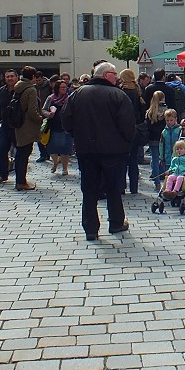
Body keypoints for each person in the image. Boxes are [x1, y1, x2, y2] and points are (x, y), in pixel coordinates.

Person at [62, 61, 135, 240]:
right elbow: (128, 126)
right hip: (113, 151)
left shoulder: (77, 94)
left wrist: (78, 136)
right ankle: (116, 222)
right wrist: (125, 143)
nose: (117, 77)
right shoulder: (118, 95)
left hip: (86, 150)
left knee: (89, 189)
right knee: (113, 188)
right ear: (105, 75)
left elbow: (66, 121)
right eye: (114, 73)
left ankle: (91, 229)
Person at [0, 67, 41, 191]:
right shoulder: (2, 90)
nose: (9, 78)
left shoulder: (20, 90)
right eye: (7, 76)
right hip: (5, 126)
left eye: (11, 76)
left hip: (17, 126)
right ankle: (3, 175)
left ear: (17, 77)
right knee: (2, 150)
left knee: (21, 153)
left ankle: (20, 179)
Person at [118, 68, 145, 194]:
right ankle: (134, 188)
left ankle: (122, 187)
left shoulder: (122, 91)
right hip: (135, 128)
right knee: (133, 160)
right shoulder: (137, 90)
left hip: (123, 129)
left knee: (122, 160)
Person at [42, 79, 73, 175]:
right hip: (53, 127)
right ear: (57, 88)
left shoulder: (69, 98)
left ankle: (65, 168)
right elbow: (43, 110)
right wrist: (48, 114)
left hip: (66, 126)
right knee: (52, 148)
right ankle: (55, 162)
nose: (64, 89)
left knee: (65, 148)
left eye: (65, 87)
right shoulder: (51, 98)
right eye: (62, 87)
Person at [146, 90, 167, 185]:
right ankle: (163, 175)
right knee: (163, 157)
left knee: (154, 158)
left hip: (152, 138)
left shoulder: (149, 112)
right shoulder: (165, 111)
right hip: (163, 138)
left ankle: (156, 181)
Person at [158, 107, 183, 184]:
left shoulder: (179, 130)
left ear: (175, 119)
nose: (169, 122)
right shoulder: (164, 132)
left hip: (178, 157)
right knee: (168, 176)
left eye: (171, 120)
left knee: (177, 174)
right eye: (167, 120)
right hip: (167, 158)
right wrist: (161, 157)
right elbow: (161, 145)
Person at [34, 73, 52, 163]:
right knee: (39, 135)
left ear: (42, 78)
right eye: (36, 80)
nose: (38, 82)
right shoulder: (34, 88)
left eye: (39, 80)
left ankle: (48, 153)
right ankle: (43, 154)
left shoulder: (48, 86)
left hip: (47, 113)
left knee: (47, 135)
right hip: (38, 114)